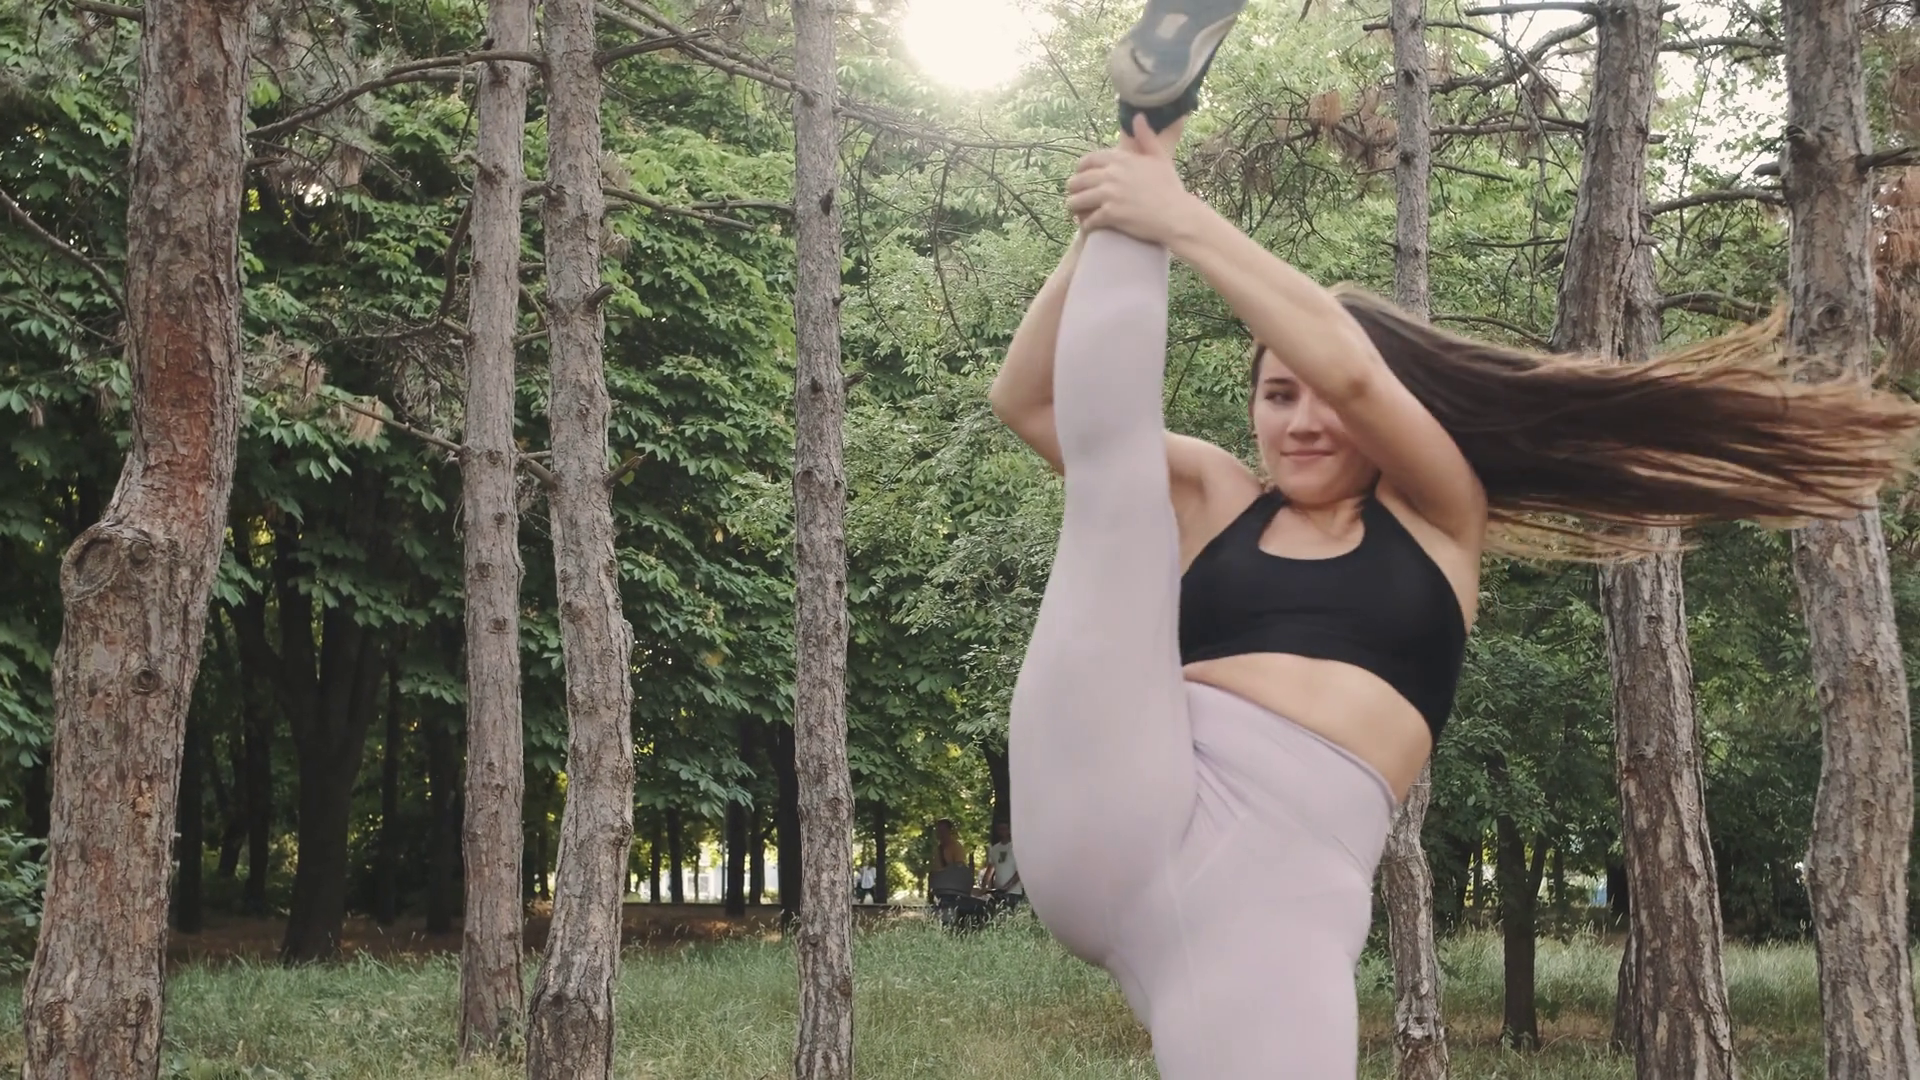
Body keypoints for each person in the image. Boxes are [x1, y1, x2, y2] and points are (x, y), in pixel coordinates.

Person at [990, 1, 1920, 1075]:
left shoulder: (1439, 512)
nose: (1304, 420)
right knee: (1112, 477)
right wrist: (1121, 202)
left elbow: (1351, 374)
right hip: (1116, 800)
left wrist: (1179, 218)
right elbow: (1030, 402)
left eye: (1319, 400)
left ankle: (1147, 152)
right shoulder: (1214, 495)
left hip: (1265, 905)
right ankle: (1147, 122)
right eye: (1277, 396)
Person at [982, 821, 1025, 909]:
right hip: (998, 892)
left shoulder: (1016, 848)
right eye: (1000, 829)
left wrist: (1007, 887)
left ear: (1009, 830)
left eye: (1004, 829)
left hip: (1014, 892)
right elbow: (990, 869)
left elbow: (1020, 872)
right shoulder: (994, 849)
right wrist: (983, 886)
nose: (1002, 831)